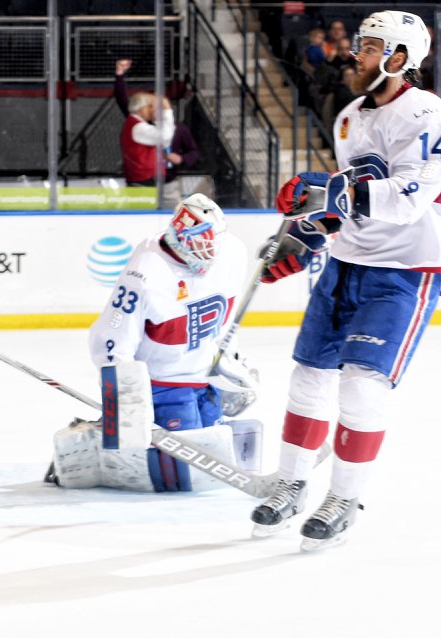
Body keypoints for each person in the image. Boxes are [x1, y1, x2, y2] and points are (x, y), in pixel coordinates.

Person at [253, 11, 441, 551]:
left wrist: (325, 194)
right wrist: (309, 233)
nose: (356, 53)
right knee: (308, 378)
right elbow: (348, 200)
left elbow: (407, 202)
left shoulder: (426, 113)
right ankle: (290, 484)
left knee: (361, 384)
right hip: (348, 263)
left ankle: (343, 498)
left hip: (405, 273)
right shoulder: (350, 116)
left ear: (400, 57)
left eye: (370, 45)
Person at [47, 193, 259, 492]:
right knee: (180, 476)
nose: (208, 253)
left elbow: (225, 317)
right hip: (163, 383)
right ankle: (91, 445)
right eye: (200, 243)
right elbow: (110, 336)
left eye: (212, 243)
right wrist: (125, 398)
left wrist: (231, 360)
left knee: (215, 455)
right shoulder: (147, 271)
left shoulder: (233, 251)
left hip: (205, 377)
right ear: (179, 235)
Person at [114, 59, 199, 186]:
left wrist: (182, 159)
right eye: (151, 105)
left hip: (169, 182)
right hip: (147, 182)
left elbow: (194, 151)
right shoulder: (141, 124)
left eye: (157, 105)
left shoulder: (179, 128)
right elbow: (123, 101)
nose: (154, 109)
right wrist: (119, 75)